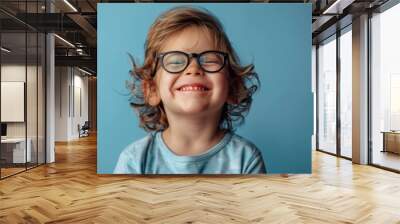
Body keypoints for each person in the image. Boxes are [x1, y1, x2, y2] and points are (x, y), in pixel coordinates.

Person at [114, 6, 266, 174]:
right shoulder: (134, 160)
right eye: (175, 62)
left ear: (232, 88)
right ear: (152, 90)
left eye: (210, 60)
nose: (193, 68)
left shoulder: (246, 159)